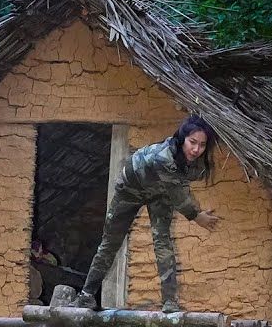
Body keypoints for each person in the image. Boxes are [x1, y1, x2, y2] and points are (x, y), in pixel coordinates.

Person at [72, 114, 220, 312]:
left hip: (160, 192)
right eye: (192, 142)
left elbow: (181, 184)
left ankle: (169, 302)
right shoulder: (163, 157)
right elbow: (180, 197)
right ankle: (86, 295)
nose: (196, 149)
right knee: (110, 243)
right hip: (130, 189)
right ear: (181, 138)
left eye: (202, 145)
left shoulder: (194, 162)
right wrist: (197, 216)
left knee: (163, 241)